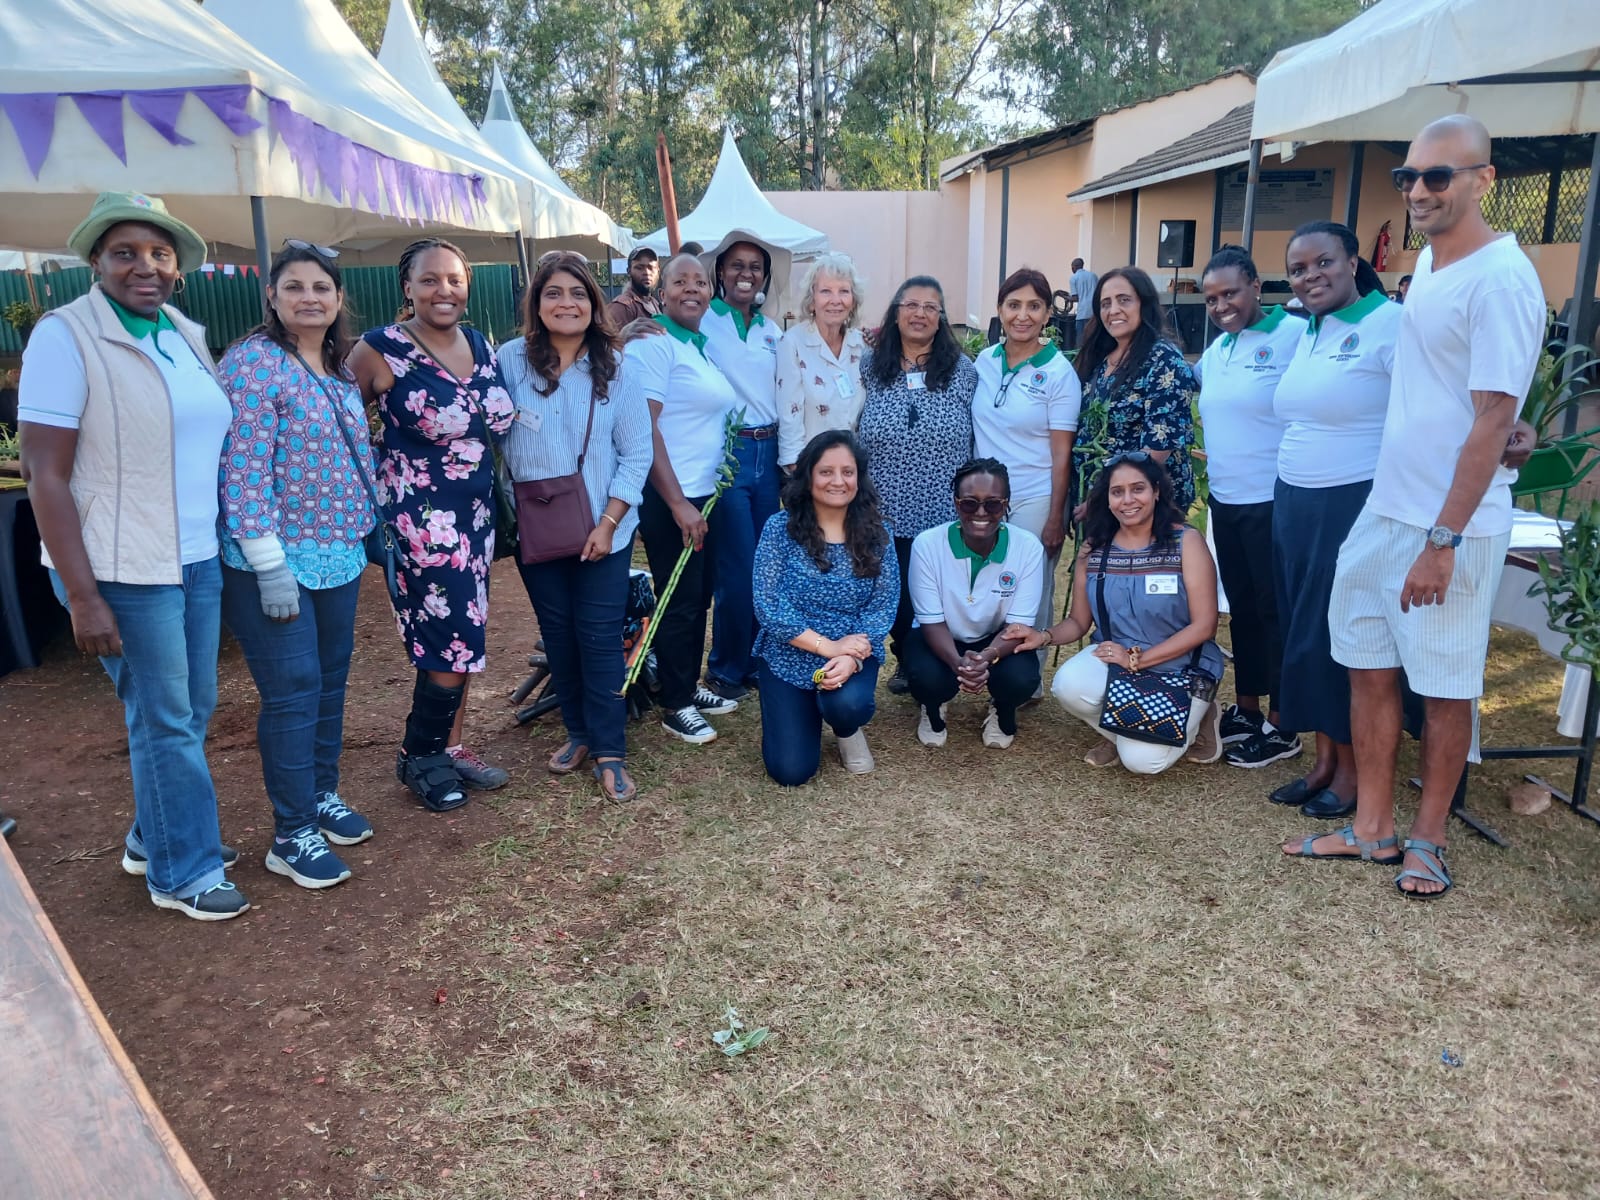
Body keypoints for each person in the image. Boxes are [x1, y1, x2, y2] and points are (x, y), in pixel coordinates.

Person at [1290, 115, 1546, 899]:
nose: (1419, 190)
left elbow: (1494, 418)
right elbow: (1457, 392)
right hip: (1386, 508)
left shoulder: (1502, 278)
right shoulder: (1432, 265)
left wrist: (1443, 540)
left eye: (1439, 175)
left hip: (1449, 525)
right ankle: (1372, 827)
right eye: (1408, 177)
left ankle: (1427, 840)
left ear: (1484, 180)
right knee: (1366, 666)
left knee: (1443, 684)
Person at [18, 192, 245, 920]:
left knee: (189, 708)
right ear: (96, 261)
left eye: (160, 253)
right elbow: (42, 472)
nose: (145, 267)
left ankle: (158, 837)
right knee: (165, 717)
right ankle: (184, 872)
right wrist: (84, 596)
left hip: (194, 554)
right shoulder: (66, 335)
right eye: (125, 253)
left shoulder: (182, 332)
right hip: (122, 565)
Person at [216, 240, 378, 891]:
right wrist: (267, 562)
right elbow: (242, 469)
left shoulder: (338, 365)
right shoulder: (253, 363)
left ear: (338, 298)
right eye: (294, 287)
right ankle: (292, 832)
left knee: (331, 681)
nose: (309, 297)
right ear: (272, 297)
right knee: (293, 690)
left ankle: (319, 794)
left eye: (320, 287)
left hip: (338, 553)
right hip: (271, 560)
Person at [348, 238, 515, 811]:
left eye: (454, 279)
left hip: (476, 518)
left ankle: (451, 745)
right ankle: (420, 756)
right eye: (429, 280)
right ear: (408, 288)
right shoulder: (380, 349)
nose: (444, 290)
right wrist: (378, 481)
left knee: (465, 633)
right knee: (451, 635)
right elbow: (342, 423)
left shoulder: (479, 343)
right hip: (423, 523)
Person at [500, 252, 652, 803]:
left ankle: (611, 750)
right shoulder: (509, 361)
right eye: (553, 293)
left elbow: (636, 454)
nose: (566, 304)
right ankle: (578, 732)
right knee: (559, 635)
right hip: (538, 527)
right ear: (536, 304)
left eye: (578, 293)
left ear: (593, 303)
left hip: (603, 528)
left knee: (599, 637)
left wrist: (609, 522)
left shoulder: (618, 367)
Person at [1266, 221, 1401, 821]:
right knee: (1303, 630)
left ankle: (1351, 774)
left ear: (1352, 261)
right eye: (1298, 269)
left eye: (1323, 262)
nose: (1310, 276)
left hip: (1350, 503)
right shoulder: (1312, 329)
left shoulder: (1390, 325)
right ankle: (1323, 759)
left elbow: (1431, 406)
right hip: (1295, 501)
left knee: (1339, 635)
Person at [1009, 452, 1225, 773]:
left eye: (1138, 489)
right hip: (1116, 660)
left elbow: (1205, 626)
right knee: (1068, 685)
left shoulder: (1185, 542)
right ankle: (1124, 727)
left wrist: (1136, 660)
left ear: (1156, 491)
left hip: (1180, 665)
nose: (1128, 500)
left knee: (1142, 763)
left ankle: (1202, 716)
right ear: (1107, 499)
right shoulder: (1095, 550)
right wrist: (1043, 636)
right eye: (1117, 491)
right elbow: (1079, 622)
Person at [624, 251, 743, 744]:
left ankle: (688, 685)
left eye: (700, 281)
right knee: (679, 601)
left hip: (704, 493)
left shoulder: (697, 345)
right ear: (662, 292)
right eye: (680, 281)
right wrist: (677, 503)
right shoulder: (654, 344)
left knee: (697, 597)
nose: (691, 288)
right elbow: (644, 427)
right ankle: (675, 703)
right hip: (671, 495)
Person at [1192, 245, 1303, 770]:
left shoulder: (1296, 335)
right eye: (1211, 299)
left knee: (1274, 610)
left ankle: (1284, 724)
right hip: (1226, 500)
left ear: (1257, 286)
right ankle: (1248, 709)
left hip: (1274, 499)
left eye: (1230, 293)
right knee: (1240, 609)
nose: (1221, 306)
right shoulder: (1218, 351)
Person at [855, 275, 978, 692]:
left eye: (930, 307)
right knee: (892, 594)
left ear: (941, 317)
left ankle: (927, 662)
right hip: (882, 508)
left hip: (941, 510)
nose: (920, 314)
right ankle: (906, 658)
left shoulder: (963, 371)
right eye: (911, 305)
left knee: (933, 595)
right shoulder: (870, 366)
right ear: (895, 313)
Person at [752, 431, 897, 785]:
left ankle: (846, 728)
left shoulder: (878, 534)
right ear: (808, 476)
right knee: (791, 772)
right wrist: (828, 647)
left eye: (848, 472)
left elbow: (883, 604)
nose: (838, 481)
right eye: (826, 472)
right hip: (790, 652)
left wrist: (850, 657)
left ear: (859, 478)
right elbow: (768, 604)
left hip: (852, 652)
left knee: (847, 705)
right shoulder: (779, 529)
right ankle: (802, 713)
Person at [970, 268, 1080, 672]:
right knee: (987, 584)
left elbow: (1062, 455)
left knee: (1029, 588)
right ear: (1000, 309)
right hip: (984, 499)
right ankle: (986, 667)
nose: (1023, 315)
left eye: (1034, 306)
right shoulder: (984, 362)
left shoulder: (1059, 374)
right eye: (1013, 305)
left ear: (1048, 314)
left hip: (1035, 497)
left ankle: (1025, 677)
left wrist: (1055, 518)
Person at [906, 459, 1044, 750]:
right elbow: (931, 622)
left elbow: (1018, 626)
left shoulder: (1028, 547)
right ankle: (933, 707)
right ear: (956, 503)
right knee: (924, 676)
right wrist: (959, 664)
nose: (981, 513)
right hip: (942, 634)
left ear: (1006, 504)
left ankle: (1003, 709)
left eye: (993, 504)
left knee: (1021, 678)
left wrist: (987, 656)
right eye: (969, 503)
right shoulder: (927, 544)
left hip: (997, 638)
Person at [700, 238, 783, 702]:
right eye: (736, 265)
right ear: (721, 272)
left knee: (766, 562)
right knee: (737, 565)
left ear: (765, 277)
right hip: (730, 451)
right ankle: (726, 668)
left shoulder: (772, 330)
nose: (745, 274)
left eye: (755, 267)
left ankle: (754, 660)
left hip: (770, 453)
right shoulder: (704, 319)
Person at [1072, 266, 1198, 513]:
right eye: (1105, 304)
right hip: (1097, 503)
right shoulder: (1099, 358)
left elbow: (1159, 444)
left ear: (1144, 304)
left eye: (1124, 300)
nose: (1113, 310)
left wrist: (1105, 498)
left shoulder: (1163, 360)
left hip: (1142, 506)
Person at [776, 252, 869, 470]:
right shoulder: (793, 343)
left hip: (853, 470)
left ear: (853, 301)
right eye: (826, 291)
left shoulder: (862, 345)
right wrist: (797, 471)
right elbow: (789, 415)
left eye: (844, 291)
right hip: (812, 468)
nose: (835, 300)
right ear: (812, 301)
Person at [608, 246, 661, 328]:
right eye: (639, 268)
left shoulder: (655, 303)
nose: (646, 272)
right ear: (629, 271)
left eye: (651, 268)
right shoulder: (622, 307)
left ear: (658, 271)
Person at [1069, 258, 1097, 345]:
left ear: (1074, 267)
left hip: (1082, 313)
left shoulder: (1074, 278)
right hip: (1094, 312)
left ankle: (1081, 353)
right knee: (1093, 338)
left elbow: (1075, 298)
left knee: (1081, 339)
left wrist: (1067, 298)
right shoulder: (1093, 276)